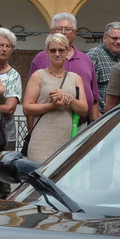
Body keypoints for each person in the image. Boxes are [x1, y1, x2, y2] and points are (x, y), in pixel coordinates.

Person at [23, 32, 87, 162]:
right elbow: (27, 108)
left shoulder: (75, 78)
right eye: (53, 50)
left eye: (61, 50)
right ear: (47, 52)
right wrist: (53, 105)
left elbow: (84, 109)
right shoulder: (38, 76)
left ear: (66, 51)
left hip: (67, 139)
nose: (57, 54)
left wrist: (68, 98)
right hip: (41, 139)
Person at [48, 12, 100, 120]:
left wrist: (94, 124)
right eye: (59, 29)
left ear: (75, 33)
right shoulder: (41, 58)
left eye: (67, 29)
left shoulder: (86, 59)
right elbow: (30, 100)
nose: (63, 33)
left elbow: (94, 98)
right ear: (51, 32)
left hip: (82, 125)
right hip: (52, 123)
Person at [0, 27, 23, 166]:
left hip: (5, 134)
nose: (4, 49)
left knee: (2, 177)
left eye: (8, 46)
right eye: (1, 45)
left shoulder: (13, 75)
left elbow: (9, 108)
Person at [86, 21, 120, 113]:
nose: (118, 42)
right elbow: (88, 89)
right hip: (101, 117)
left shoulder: (118, 58)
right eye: (114, 38)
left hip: (115, 114)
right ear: (104, 38)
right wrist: (96, 117)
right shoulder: (95, 55)